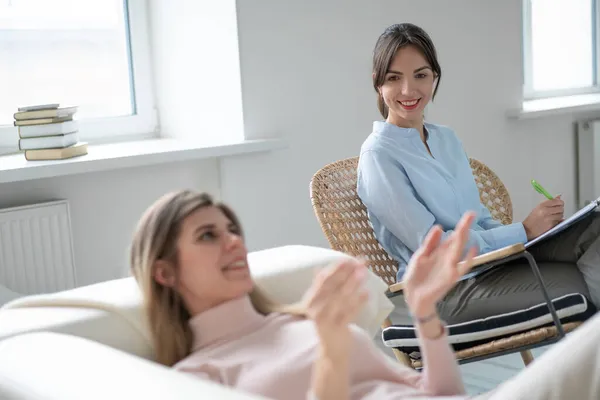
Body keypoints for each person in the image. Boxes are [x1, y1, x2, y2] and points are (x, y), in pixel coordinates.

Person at [129, 189, 600, 400]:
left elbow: (437, 393)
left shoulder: (297, 322)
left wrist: (424, 314)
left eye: (233, 229)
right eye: (208, 236)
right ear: (164, 272)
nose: (234, 241)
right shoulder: (197, 377)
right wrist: (332, 358)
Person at [356, 23, 600, 324]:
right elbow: (437, 250)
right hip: (449, 291)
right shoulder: (378, 156)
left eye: (420, 75)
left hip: (491, 266)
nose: (408, 90)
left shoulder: (446, 139)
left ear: (435, 77)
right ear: (377, 83)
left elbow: (480, 218)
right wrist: (523, 231)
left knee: (593, 231)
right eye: (394, 78)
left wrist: (536, 237)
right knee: (582, 288)